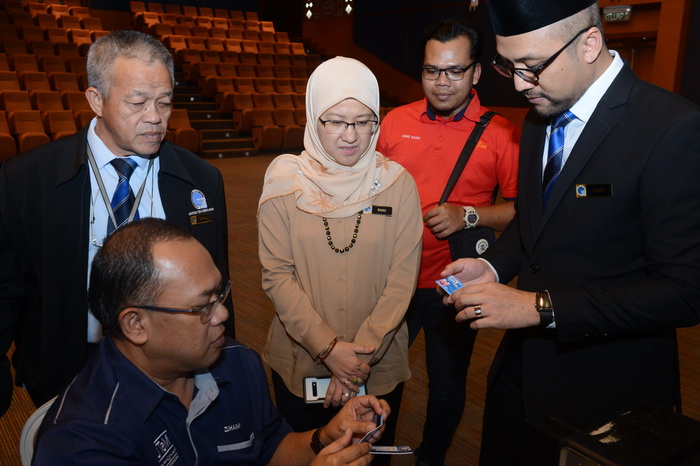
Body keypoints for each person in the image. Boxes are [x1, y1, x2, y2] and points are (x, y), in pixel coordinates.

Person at [440, 1, 700, 464]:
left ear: (589, 43)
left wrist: (540, 307)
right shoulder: (539, 117)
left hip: (609, 392)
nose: (520, 84)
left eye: (532, 66)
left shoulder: (671, 128)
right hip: (521, 374)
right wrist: (491, 267)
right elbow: (534, 220)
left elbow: (684, 292)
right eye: (508, 66)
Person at [0, 30, 233, 415]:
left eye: (164, 102)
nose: (155, 117)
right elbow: (8, 287)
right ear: (97, 100)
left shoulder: (202, 180)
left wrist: (223, 366)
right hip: (69, 369)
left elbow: (216, 285)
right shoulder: (26, 179)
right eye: (137, 102)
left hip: (170, 367)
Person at [32, 218, 388, 465]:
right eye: (202, 307)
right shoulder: (84, 442)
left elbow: (271, 448)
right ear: (136, 324)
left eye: (220, 294)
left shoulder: (237, 361)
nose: (222, 314)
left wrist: (324, 438)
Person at [258, 56, 423, 460]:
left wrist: (355, 364)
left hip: (377, 364)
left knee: (368, 457)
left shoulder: (398, 184)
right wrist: (330, 350)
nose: (351, 136)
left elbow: (402, 280)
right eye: (335, 121)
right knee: (303, 453)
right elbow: (278, 277)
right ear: (314, 118)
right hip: (302, 360)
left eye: (363, 121)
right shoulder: (284, 182)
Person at [376, 18, 520, 465]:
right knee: (381, 377)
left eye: (455, 70)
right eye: (431, 70)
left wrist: (469, 215)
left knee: (447, 381)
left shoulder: (500, 133)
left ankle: (431, 456)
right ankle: (376, 453)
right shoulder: (395, 122)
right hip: (390, 279)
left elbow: (522, 212)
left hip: (452, 283)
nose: (442, 82)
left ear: (475, 73)